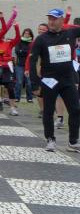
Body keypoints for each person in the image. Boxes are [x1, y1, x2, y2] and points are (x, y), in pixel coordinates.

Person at [29, 8, 80, 152]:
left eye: (54, 19)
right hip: (49, 80)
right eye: (49, 19)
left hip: (67, 80)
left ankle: (73, 142)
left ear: (62, 20)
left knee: (75, 110)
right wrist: (35, 84)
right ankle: (50, 139)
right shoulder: (41, 39)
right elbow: (32, 61)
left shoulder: (70, 33)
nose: (51, 22)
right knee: (48, 111)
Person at [15, 28, 35, 104]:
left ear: (31, 35)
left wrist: (22, 51)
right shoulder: (19, 42)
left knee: (29, 83)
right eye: (25, 33)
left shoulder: (32, 43)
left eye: (28, 34)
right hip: (19, 65)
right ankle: (17, 97)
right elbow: (17, 52)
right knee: (19, 82)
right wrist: (25, 52)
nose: (27, 35)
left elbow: (32, 53)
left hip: (29, 66)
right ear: (23, 34)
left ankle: (29, 98)